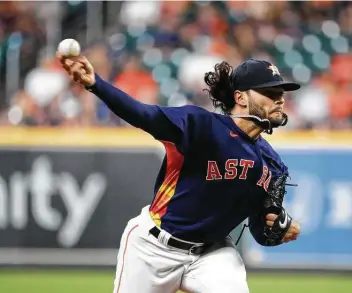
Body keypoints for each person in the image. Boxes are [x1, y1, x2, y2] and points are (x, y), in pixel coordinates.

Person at [57, 53, 301, 293]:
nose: (279, 99)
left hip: (212, 253)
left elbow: (260, 230)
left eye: (280, 93)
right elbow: (143, 114)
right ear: (240, 97)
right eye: (269, 93)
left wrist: (278, 226)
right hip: (153, 247)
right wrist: (95, 84)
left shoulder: (273, 164)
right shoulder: (200, 126)